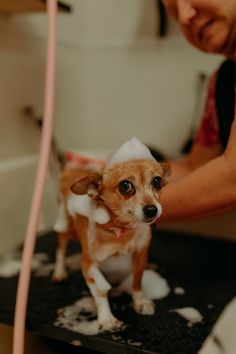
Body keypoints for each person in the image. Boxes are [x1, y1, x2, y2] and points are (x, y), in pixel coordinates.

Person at [157, 0, 236, 223]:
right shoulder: (222, 81)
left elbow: (233, 176)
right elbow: (195, 167)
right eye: (174, 13)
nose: (184, 17)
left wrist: (124, 211)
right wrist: (115, 175)